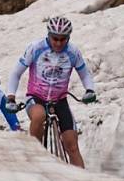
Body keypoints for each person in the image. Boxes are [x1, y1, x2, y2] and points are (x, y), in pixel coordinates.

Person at [5, 16, 97, 168]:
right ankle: (34, 156)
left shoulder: (73, 52)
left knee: (72, 145)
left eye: (63, 39)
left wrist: (90, 90)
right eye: (55, 38)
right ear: (48, 35)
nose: (59, 43)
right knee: (39, 115)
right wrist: (10, 98)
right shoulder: (35, 48)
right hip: (36, 97)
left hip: (60, 100)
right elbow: (16, 73)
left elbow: (85, 74)